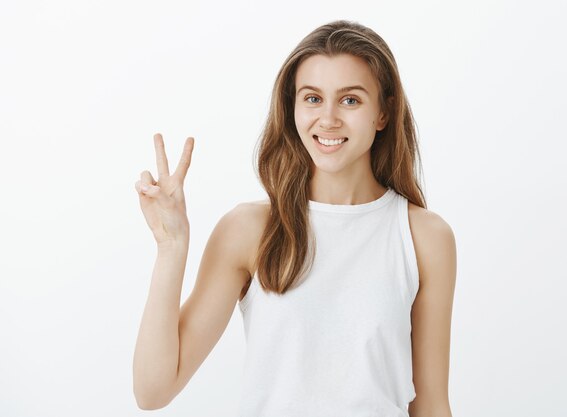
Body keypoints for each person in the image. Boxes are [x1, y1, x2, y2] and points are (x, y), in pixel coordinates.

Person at [132, 19, 456, 417]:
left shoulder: (424, 236)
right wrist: (170, 247)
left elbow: (431, 405)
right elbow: (153, 390)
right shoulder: (249, 230)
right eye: (313, 98)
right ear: (293, 107)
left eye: (350, 100)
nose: (329, 119)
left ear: (383, 113)